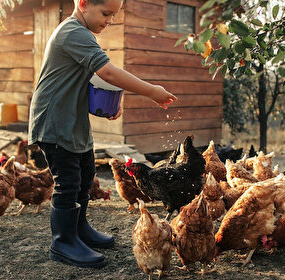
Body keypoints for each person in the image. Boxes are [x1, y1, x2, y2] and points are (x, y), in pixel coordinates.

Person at [28, 0, 177, 268]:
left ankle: (79, 230)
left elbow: (84, 80)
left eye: (113, 15)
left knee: (86, 176)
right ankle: (62, 242)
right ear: (83, 4)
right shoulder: (72, 32)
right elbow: (107, 71)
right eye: (106, 13)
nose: (109, 20)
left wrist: (104, 105)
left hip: (73, 121)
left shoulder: (82, 35)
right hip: (55, 121)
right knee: (68, 182)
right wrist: (151, 91)